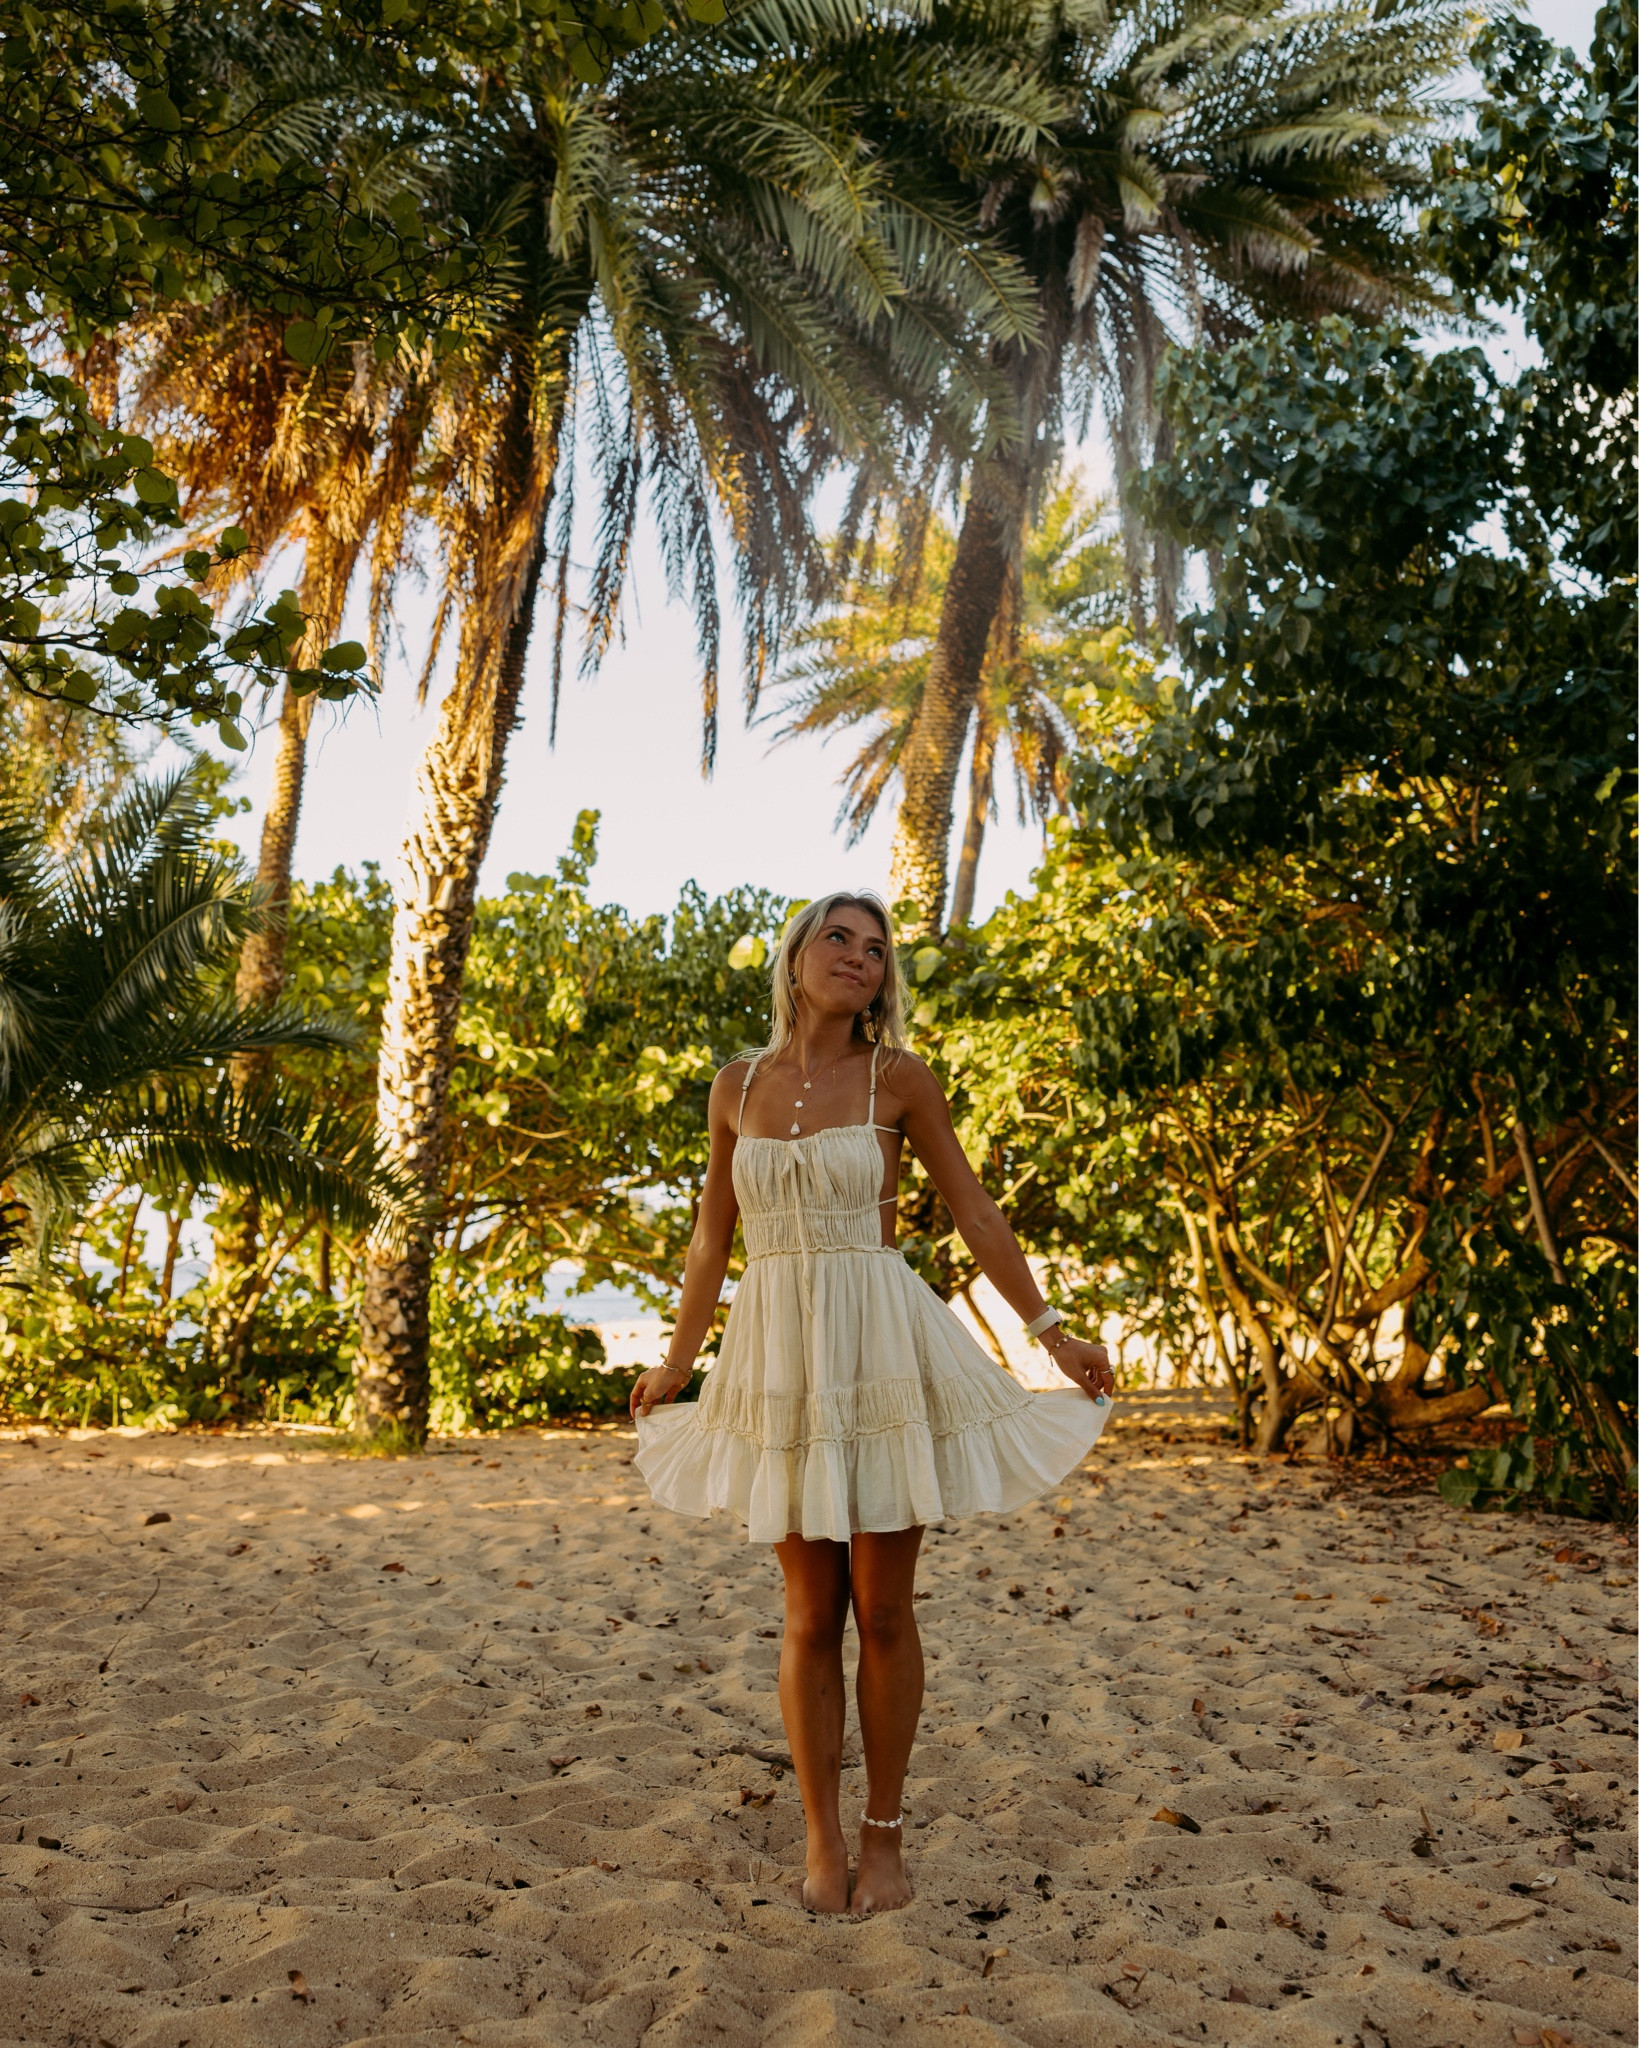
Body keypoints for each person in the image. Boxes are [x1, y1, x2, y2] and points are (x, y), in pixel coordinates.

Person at [630, 891, 1114, 1916]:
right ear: (795, 956)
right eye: (838, 938)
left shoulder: (899, 1078)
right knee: (810, 1612)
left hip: (879, 1342)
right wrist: (677, 1361)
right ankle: (819, 1834)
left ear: (884, 979)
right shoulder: (735, 1084)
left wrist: (1051, 1332)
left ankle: (882, 1832)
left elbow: (972, 1207)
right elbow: (712, 1236)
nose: (858, 956)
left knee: (884, 1608)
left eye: (877, 948)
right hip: (780, 1356)